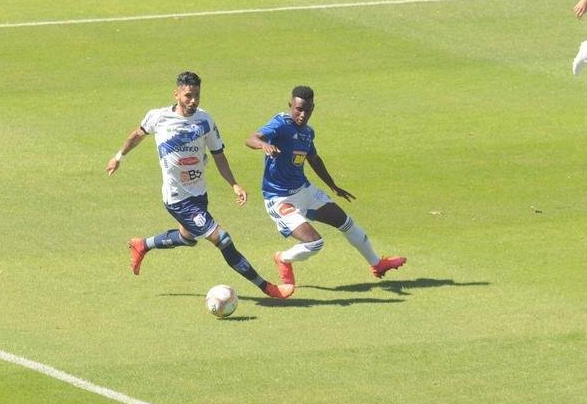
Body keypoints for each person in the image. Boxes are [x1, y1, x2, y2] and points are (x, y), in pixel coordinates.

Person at [106, 71, 294, 300]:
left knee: (188, 237)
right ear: (176, 94)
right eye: (188, 95)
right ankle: (267, 288)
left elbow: (218, 155)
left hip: (199, 193)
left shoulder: (205, 120)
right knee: (222, 239)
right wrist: (118, 157)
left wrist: (234, 184)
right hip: (177, 199)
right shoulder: (158, 117)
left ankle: (142, 245)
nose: (193, 100)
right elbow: (137, 135)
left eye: (197, 95)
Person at [245, 86, 406, 284]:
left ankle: (377, 264)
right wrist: (263, 145)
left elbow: (313, 159)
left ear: (313, 108)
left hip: (304, 191)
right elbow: (251, 138)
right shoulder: (280, 124)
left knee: (346, 222)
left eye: (307, 110)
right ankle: (283, 259)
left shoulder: (307, 133)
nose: (303, 114)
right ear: (290, 106)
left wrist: (333, 186)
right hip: (279, 198)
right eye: (298, 109)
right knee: (315, 243)